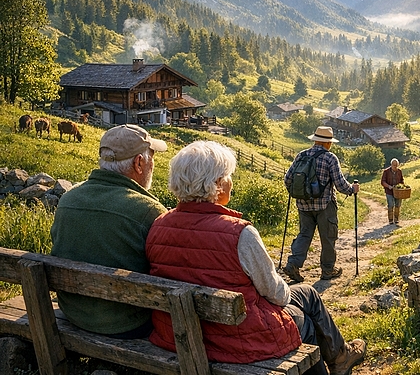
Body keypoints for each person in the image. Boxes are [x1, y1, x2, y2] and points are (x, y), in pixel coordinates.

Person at [146, 141, 366, 375]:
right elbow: (277, 294)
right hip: (238, 340)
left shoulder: (158, 226)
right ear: (218, 185)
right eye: (228, 176)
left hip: (176, 334)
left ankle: (340, 356)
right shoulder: (239, 233)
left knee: (307, 297)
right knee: (305, 314)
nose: (230, 181)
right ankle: (340, 358)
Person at [50, 124, 168, 338]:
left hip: (74, 313)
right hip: (126, 323)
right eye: (152, 158)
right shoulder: (149, 211)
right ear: (139, 163)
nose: (154, 164)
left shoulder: (68, 200)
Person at [283, 126, 359, 282]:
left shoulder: (301, 155)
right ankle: (327, 270)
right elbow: (340, 185)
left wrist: (299, 194)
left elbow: (287, 179)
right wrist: (352, 189)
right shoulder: (330, 158)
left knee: (304, 235)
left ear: (315, 140)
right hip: (325, 206)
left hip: (303, 205)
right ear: (328, 143)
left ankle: (293, 264)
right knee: (328, 237)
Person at [381, 158, 405, 225]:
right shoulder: (386, 171)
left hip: (398, 191)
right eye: (394, 165)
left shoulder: (399, 171)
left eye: (396, 165)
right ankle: (390, 220)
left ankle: (396, 219)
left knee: (398, 205)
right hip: (389, 191)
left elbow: (401, 180)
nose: (395, 167)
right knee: (391, 205)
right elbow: (383, 181)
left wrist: (401, 186)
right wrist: (389, 186)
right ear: (391, 165)